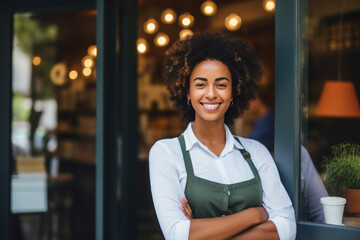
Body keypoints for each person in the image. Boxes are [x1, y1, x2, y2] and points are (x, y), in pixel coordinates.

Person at [149, 32, 296, 240]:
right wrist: (255, 214)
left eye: (221, 84)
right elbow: (177, 234)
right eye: (200, 84)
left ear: (233, 93)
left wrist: (202, 231)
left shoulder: (256, 152)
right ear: (187, 93)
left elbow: (287, 228)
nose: (211, 93)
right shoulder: (166, 153)